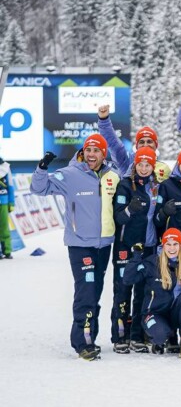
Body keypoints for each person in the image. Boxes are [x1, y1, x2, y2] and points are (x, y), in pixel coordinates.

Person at [30, 135, 119, 360]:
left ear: (103, 154)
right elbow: (39, 189)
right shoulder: (70, 174)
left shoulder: (112, 175)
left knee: (95, 291)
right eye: (88, 150)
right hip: (80, 245)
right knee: (86, 292)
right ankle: (82, 342)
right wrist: (42, 168)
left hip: (104, 245)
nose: (91, 154)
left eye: (96, 150)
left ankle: (90, 337)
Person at [110, 147, 159, 353]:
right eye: (141, 164)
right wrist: (130, 209)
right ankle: (120, 336)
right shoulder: (124, 185)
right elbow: (118, 217)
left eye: (148, 165)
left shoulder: (156, 187)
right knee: (122, 291)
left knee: (142, 293)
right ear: (135, 165)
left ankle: (137, 336)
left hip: (148, 248)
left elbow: (158, 218)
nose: (144, 168)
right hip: (126, 247)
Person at [122, 227, 181, 358]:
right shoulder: (152, 263)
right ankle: (160, 338)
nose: (172, 248)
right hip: (154, 312)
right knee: (160, 335)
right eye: (168, 244)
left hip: (175, 314)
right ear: (163, 246)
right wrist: (136, 257)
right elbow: (128, 279)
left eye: (175, 244)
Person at [97, 104, 171, 182]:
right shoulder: (126, 164)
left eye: (149, 141)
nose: (145, 145)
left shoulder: (163, 169)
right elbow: (113, 144)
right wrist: (104, 120)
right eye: (141, 142)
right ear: (136, 145)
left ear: (156, 145)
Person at [0, 157, 15, 260]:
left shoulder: (6, 167)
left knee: (4, 227)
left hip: (3, 202)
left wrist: (11, 202)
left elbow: (10, 185)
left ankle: (7, 251)